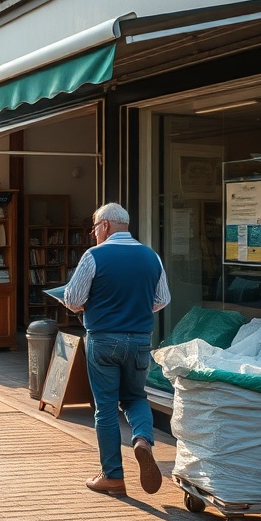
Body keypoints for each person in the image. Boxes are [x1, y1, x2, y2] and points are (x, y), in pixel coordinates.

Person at [62, 202, 171, 497]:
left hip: (103, 339)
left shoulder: (94, 255)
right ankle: (143, 440)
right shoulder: (151, 256)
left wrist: (88, 306)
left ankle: (112, 476)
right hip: (140, 339)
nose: (94, 234)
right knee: (135, 397)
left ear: (106, 226)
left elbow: (73, 299)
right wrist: (135, 309)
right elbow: (163, 299)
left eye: (95, 228)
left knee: (106, 407)